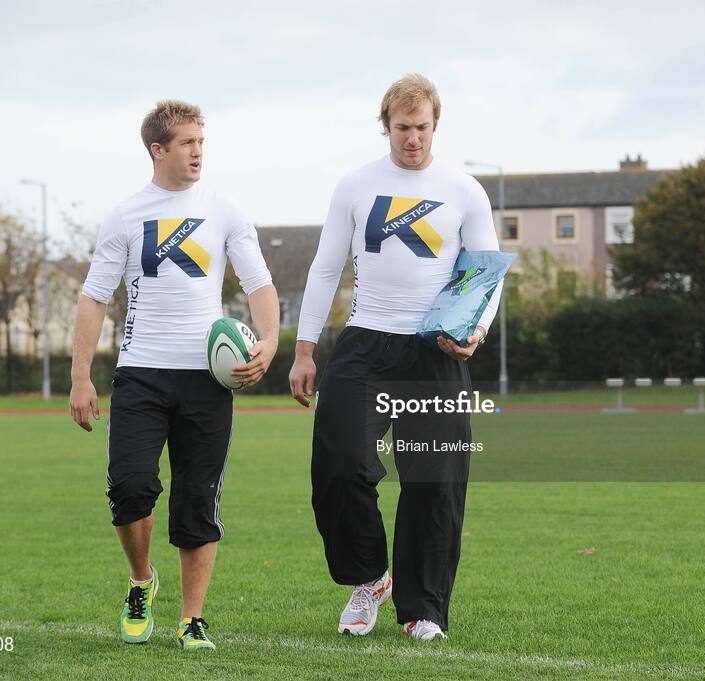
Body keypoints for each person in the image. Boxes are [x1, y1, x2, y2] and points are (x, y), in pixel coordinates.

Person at [289, 74, 502, 641]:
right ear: (386, 125)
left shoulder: (464, 190)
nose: (413, 138)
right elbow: (325, 267)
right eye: (403, 127)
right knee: (341, 466)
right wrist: (304, 349)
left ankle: (423, 609)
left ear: (437, 126)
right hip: (364, 345)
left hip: (435, 352)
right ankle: (369, 579)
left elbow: (485, 272)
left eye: (423, 128)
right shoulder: (356, 185)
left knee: (435, 483)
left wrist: (475, 330)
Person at [69, 99, 279, 651]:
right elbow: (93, 298)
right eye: (187, 143)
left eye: (202, 142)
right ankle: (141, 581)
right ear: (157, 149)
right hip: (140, 373)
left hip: (208, 379)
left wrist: (272, 340)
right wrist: (81, 377)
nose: (197, 153)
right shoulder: (125, 215)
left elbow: (258, 282)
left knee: (196, 499)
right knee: (130, 487)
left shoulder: (226, 209)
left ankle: (192, 619)